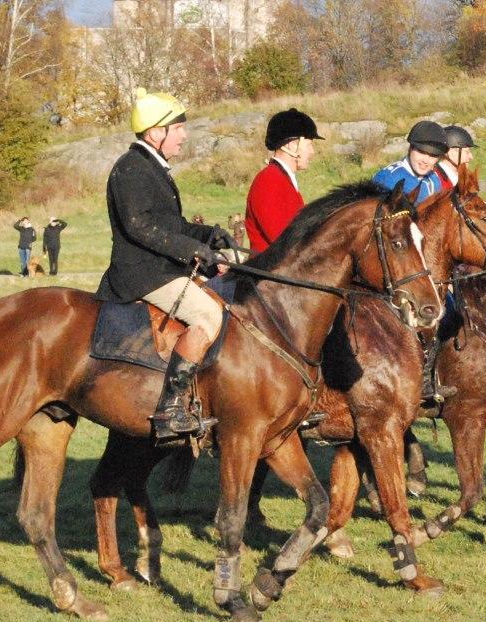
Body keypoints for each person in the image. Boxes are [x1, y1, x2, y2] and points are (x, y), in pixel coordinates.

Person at [95, 88, 231, 442]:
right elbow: (140, 227)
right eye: (178, 127)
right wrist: (195, 252)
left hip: (161, 267)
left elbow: (172, 225)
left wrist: (210, 235)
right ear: (156, 132)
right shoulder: (132, 169)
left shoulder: (151, 167)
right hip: (143, 273)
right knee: (208, 316)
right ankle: (170, 409)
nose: (184, 135)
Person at [245, 108, 323, 253]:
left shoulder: (281, 178)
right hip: (270, 272)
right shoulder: (269, 180)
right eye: (309, 144)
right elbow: (287, 241)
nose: (312, 152)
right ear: (291, 145)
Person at [372, 121, 448, 204]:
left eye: (433, 155)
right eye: (421, 152)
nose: (425, 160)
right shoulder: (388, 178)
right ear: (410, 148)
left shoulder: (434, 179)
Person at [435, 125, 476, 190]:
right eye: (467, 152)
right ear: (451, 153)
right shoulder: (435, 181)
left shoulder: (463, 178)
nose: (471, 157)